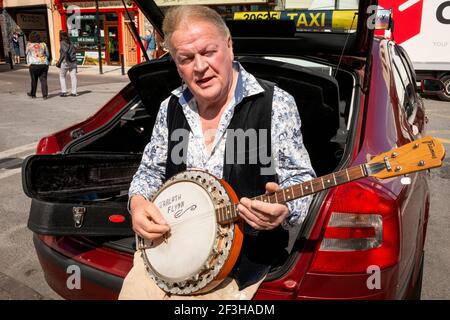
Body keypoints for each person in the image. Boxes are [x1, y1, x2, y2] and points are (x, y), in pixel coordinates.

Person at [119, 5, 315, 300]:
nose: (199, 67)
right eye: (186, 58)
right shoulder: (170, 107)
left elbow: (301, 180)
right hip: (163, 259)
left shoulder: (275, 104)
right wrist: (136, 203)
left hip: (235, 274)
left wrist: (285, 210)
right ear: (175, 63)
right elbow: (150, 171)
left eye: (208, 52)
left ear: (229, 45)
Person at [26, 32, 49, 99]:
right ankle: (45, 95)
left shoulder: (29, 45)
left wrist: (28, 62)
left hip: (33, 64)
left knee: (34, 80)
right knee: (43, 80)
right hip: (43, 63)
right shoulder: (43, 44)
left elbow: (27, 53)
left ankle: (33, 94)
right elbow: (47, 54)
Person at [57, 31, 78, 97]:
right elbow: (75, 50)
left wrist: (59, 61)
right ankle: (74, 92)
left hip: (65, 61)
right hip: (73, 61)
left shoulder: (62, 42)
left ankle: (64, 91)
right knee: (73, 77)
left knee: (62, 76)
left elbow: (64, 52)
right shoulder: (71, 42)